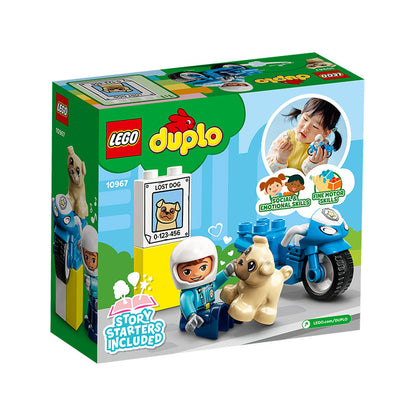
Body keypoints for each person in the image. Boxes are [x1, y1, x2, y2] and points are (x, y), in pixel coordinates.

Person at [170, 236, 237, 340]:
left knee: (222, 311)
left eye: (203, 267)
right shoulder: (189, 293)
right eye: (187, 271)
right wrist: (191, 315)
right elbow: (185, 302)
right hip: (196, 314)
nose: (196, 274)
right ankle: (192, 323)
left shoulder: (208, 285)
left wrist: (226, 272)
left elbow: (216, 282)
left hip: (210, 308)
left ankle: (225, 323)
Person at [267, 98, 342, 174]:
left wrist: (313, 162)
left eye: (315, 126)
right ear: (302, 113)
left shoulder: (321, 149)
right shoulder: (286, 137)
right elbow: (269, 169)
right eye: (305, 119)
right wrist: (280, 159)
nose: (306, 128)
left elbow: (315, 177)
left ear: (326, 133)